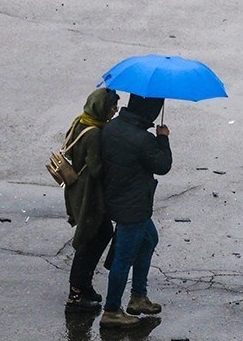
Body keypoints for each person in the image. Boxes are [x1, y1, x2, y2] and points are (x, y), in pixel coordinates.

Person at [100, 94, 172, 328]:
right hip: (134, 206)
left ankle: (139, 297)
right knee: (124, 256)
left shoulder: (112, 127)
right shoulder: (143, 140)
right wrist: (163, 139)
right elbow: (163, 166)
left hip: (116, 198)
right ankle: (111, 310)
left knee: (149, 239)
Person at [64, 88, 120, 313]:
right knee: (90, 239)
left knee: (101, 233)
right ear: (102, 108)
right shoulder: (94, 133)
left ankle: (84, 285)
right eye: (112, 106)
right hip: (89, 195)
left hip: (78, 190)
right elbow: (97, 169)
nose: (115, 110)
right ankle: (76, 294)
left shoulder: (80, 121)